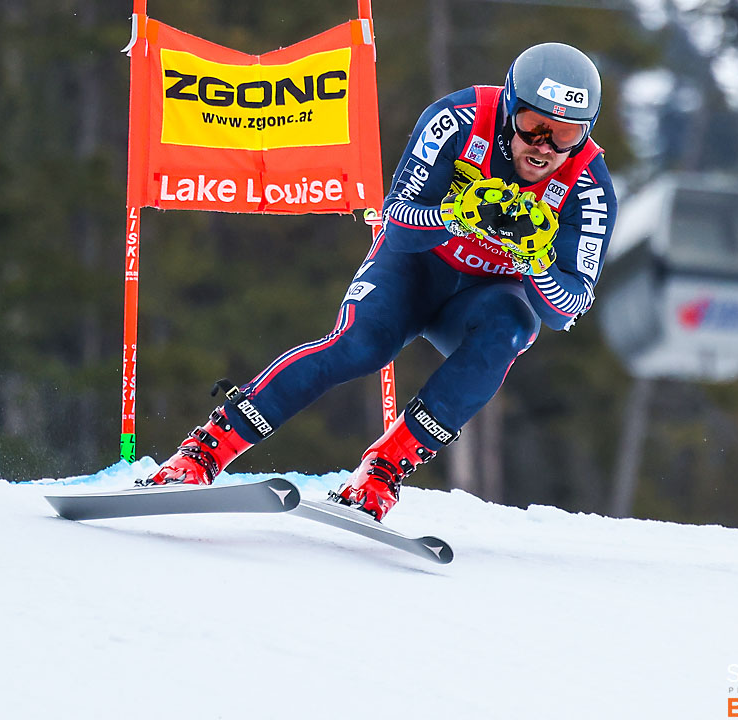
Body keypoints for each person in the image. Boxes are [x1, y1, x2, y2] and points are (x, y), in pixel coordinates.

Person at [141, 42, 618, 521]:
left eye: (566, 134)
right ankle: (204, 453)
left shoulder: (590, 185)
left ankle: (382, 471)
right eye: (535, 127)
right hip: (415, 268)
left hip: (484, 297)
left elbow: (567, 308)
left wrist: (535, 260)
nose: (545, 148)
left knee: (516, 327)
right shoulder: (459, 118)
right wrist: (458, 215)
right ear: (510, 109)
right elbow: (398, 220)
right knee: (362, 346)